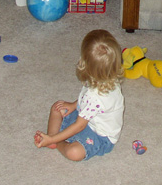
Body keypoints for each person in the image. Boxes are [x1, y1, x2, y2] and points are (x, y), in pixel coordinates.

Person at [34, 29, 125, 161]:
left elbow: (79, 125)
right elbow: (89, 102)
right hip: (87, 117)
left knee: (74, 152)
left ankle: (55, 140)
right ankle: (54, 137)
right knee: (57, 107)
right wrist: (72, 105)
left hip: (101, 136)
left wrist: (54, 138)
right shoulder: (106, 77)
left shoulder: (95, 95)